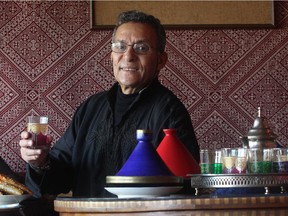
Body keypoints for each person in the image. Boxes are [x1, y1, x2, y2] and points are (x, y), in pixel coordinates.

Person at [19, 10, 200, 198]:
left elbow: (183, 188)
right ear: (112, 56)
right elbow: (58, 181)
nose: (128, 56)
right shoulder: (90, 109)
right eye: (120, 47)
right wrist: (39, 161)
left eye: (141, 48)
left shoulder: (169, 112)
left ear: (161, 60)